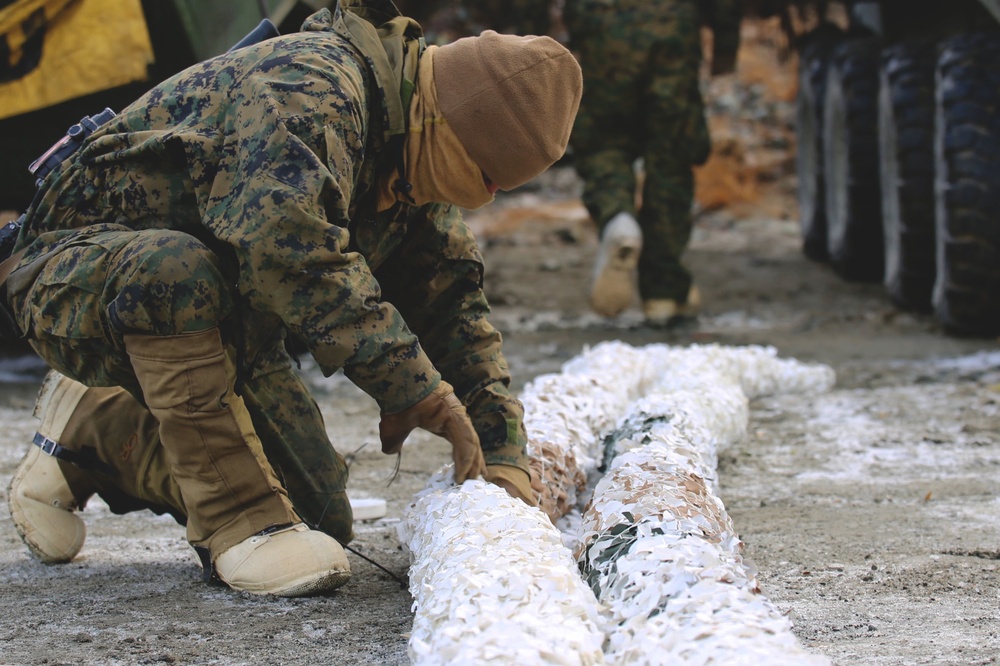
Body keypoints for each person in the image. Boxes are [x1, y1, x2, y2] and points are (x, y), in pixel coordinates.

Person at [0, 0, 582, 597]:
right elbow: (287, 249)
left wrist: (501, 448)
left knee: (319, 515)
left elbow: (452, 303)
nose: (484, 197)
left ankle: (96, 427)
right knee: (176, 270)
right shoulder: (310, 88)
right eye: (484, 176)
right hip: (76, 270)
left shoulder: (411, 140)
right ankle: (238, 523)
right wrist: (412, 387)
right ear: (448, 123)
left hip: (221, 325)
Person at [563, 0, 740, 325]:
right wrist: (726, 47)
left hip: (602, 28)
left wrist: (535, 36)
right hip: (673, 28)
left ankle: (618, 218)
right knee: (670, 158)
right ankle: (663, 290)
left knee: (605, 144)